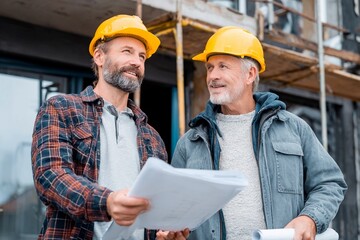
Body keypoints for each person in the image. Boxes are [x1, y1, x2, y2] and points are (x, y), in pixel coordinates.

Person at [171, 26, 347, 240]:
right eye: (210, 67)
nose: (212, 76)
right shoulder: (191, 142)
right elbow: (175, 208)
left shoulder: (293, 128)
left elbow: (330, 183)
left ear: (250, 74)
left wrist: (309, 218)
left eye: (223, 66)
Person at [31, 15, 169, 240]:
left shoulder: (151, 136)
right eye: (127, 51)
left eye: (142, 56)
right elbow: (50, 175)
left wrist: (163, 233)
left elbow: (156, 202)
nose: (137, 62)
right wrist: (107, 202)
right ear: (99, 56)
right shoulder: (61, 108)